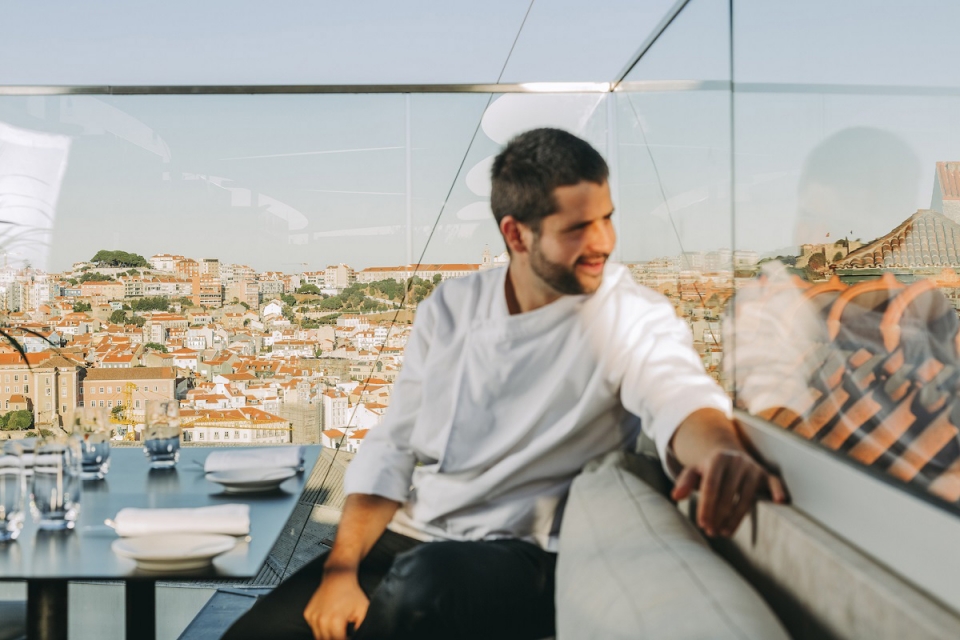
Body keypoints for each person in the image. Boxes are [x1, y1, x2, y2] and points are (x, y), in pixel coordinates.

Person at [223, 128, 786, 640]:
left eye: (607, 217)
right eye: (577, 228)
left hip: (524, 555)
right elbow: (392, 446)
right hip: (413, 537)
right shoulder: (451, 307)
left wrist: (721, 451)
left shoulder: (630, 314)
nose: (604, 242)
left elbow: (679, 395)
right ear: (516, 234)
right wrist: (341, 570)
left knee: (426, 591)